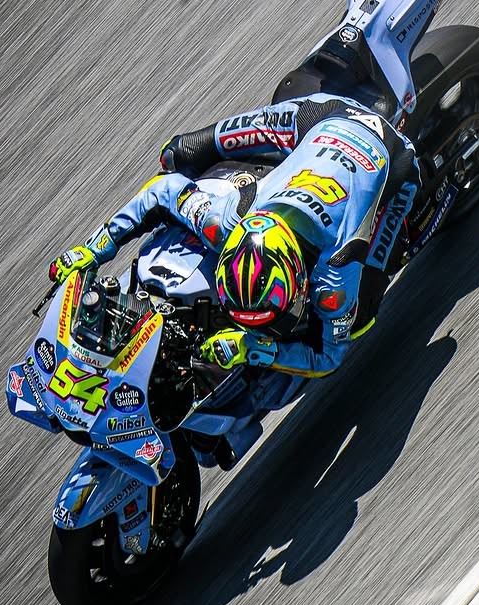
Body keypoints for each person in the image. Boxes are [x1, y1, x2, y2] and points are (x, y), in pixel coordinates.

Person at [49, 94, 419, 466]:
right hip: (320, 118)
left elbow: (328, 357)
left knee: (360, 317)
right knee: (178, 153)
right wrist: (96, 248)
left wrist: (253, 348)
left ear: (301, 283)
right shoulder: (223, 222)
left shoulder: (334, 272)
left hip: (391, 156)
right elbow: (162, 190)